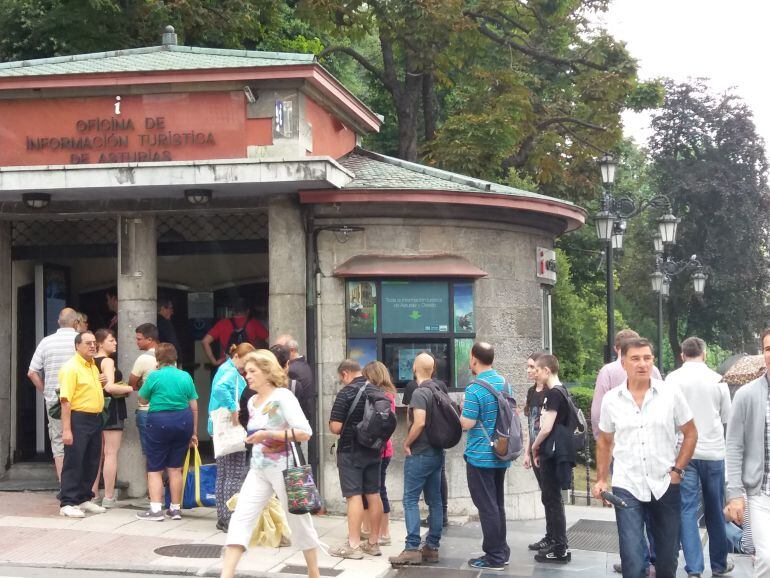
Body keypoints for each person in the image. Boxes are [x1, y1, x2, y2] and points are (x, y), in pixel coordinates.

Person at [592, 338, 697, 578]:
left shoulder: (670, 393)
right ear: (623, 363)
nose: (642, 364)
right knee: (632, 559)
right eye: (636, 358)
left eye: (647, 358)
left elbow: (690, 433)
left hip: (665, 483)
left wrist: (677, 471)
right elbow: (605, 441)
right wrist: (601, 479)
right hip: (627, 485)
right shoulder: (612, 399)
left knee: (667, 561)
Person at [220, 351, 323, 578]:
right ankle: (226, 575)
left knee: (299, 520)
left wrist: (268, 434)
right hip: (258, 468)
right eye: (246, 371)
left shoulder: (283, 396)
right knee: (240, 517)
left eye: (252, 371)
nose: (247, 375)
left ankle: (313, 573)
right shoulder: (252, 402)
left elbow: (305, 432)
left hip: (284, 468)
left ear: (267, 372)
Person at [591, 328, 662, 575]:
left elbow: (597, 413)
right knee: (654, 509)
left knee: (628, 511)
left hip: (622, 454)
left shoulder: (607, 372)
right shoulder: (652, 370)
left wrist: (603, 446)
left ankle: (636, 558)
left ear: (616, 349)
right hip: (654, 455)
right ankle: (655, 558)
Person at [665, 336, 734, 577]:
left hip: (684, 452)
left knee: (687, 510)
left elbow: (668, 417)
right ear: (704, 354)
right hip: (713, 452)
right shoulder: (718, 379)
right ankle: (719, 564)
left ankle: (694, 568)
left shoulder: (672, 380)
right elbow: (726, 416)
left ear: (682, 355)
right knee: (715, 509)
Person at [459, 342, 512, 571]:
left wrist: (461, 411)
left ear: (474, 358)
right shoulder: (504, 383)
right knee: (497, 504)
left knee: (487, 506)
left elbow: (467, 423)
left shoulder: (474, 389)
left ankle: (494, 557)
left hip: (480, 455)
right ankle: (502, 551)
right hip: (501, 452)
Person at [389, 353, 445, 567]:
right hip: (437, 452)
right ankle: (431, 547)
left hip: (420, 452)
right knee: (435, 500)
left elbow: (419, 422)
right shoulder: (439, 388)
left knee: (410, 500)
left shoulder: (420, 392)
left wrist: (407, 442)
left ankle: (412, 548)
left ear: (414, 367)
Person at [135, 343, 199, 521]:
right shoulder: (185, 376)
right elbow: (193, 404)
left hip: (159, 421)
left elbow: (142, 399)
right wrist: (194, 431)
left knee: (155, 468)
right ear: (175, 358)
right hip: (184, 421)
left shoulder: (154, 376)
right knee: (176, 468)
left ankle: (156, 509)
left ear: (158, 358)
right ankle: (175, 509)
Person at [725, 328, 770, 578]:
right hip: (761, 493)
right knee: (767, 558)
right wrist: (734, 494)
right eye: (768, 349)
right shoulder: (746, 395)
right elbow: (733, 446)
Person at [328, 359, 384, 559]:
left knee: (354, 496)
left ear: (345, 373)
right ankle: (373, 543)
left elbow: (335, 427)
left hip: (350, 451)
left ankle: (353, 545)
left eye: (341, 378)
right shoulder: (377, 390)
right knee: (373, 494)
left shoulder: (346, 393)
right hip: (374, 450)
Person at [58, 331, 107, 518]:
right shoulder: (71, 367)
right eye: (88, 343)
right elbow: (65, 401)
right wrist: (67, 429)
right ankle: (68, 502)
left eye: (94, 343)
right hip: (78, 418)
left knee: (91, 459)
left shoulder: (93, 366)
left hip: (95, 417)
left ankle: (84, 497)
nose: (92, 346)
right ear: (77, 346)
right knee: (74, 460)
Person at [27, 307, 79, 480]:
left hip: (54, 400)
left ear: (58, 322)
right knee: (81, 440)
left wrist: (46, 391)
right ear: (76, 322)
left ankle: (65, 486)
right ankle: (79, 485)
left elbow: (32, 372)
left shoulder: (46, 342)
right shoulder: (80, 341)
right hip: (79, 398)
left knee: (58, 442)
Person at [530, 354, 573, 564]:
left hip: (551, 452)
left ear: (547, 370)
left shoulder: (554, 394)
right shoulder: (562, 391)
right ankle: (557, 543)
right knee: (553, 498)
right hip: (556, 452)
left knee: (553, 499)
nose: (535, 374)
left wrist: (534, 446)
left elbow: (546, 427)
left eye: (537, 370)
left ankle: (559, 547)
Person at [210, 342, 256, 531]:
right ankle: (230, 517)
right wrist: (233, 408)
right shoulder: (231, 371)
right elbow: (220, 389)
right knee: (234, 474)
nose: (247, 368)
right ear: (237, 356)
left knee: (223, 473)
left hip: (219, 426)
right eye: (246, 362)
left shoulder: (224, 369)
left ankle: (222, 516)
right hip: (231, 427)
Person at [91, 329, 133, 508]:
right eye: (111, 340)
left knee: (95, 453)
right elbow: (109, 387)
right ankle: (108, 496)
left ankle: (93, 494)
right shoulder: (107, 361)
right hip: (111, 408)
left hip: (94, 407)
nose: (115, 343)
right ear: (100, 343)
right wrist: (131, 388)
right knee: (110, 453)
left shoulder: (89, 361)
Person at [361, 361, 397, 547]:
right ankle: (370, 528)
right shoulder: (388, 395)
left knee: (378, 490)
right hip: (383, 449)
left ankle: (384, 532)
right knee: (373, 490)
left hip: (379, 450)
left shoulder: (381, 397)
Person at [202, 299, 269, 366]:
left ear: (233, 311)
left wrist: (214, 361)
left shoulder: (223, 323)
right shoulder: (254, 323)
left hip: (228, 365)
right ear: (248, 311)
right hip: (247, 365)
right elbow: (269, 340)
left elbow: (205, 341)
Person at [129, 323, 159, 457]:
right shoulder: (169, 358)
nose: (137, 342)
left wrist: (141, 384)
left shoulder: (143, 358)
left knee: (151, 455)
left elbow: (131, 383)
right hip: (167, 410)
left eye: (139, 339)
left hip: (147, 410)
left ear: (150, 339)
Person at [274, 334, 315, 424]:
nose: (277, 353)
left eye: (280, 349)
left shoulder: (292, 370)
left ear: (292, 350)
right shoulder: (302, 365)